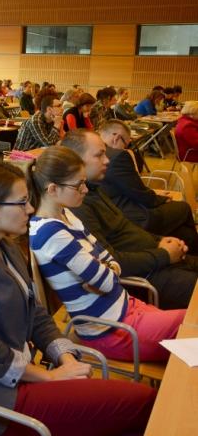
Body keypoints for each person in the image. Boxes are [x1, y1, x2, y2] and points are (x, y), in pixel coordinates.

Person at [0, 158, 156, 436]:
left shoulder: (5, 244)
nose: (30, 209)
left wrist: (64, 357)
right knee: (141, 404)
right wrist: (49, 376)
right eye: (22, 202)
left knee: (129, 406)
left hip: (13, 381)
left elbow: (36, 312)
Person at [29, 146, 185, 362]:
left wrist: (105, 273)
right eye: (78, 184)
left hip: (124, 309)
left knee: (190, 323)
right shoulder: (50, 233)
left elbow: (111, 263)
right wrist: (105, 273)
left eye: (84, 182)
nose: (85, 189)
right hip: (111, 330)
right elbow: (108, 281)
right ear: (53, 189)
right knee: (190, 324)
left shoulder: (66, 214)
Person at [61, 130, 198, 309]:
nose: (107, 160)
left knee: (186, 235)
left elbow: (127, 228)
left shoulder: (93, 188)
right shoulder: (79, 205)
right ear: (75, 160)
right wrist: (164, 254)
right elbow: (111, 261)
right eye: (99, 155)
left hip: (155, 260)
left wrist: (161, 240)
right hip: (144, 278)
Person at [98, 119, 198, 251]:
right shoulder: (116, 156)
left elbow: (132, 189)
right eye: (126, 144)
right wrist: (162, 199)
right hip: (129, 217)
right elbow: (139, 193)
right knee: (183, 208)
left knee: (184, 233)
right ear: (116, 138)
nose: (126, 149)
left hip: (112, 214)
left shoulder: (90, 153)